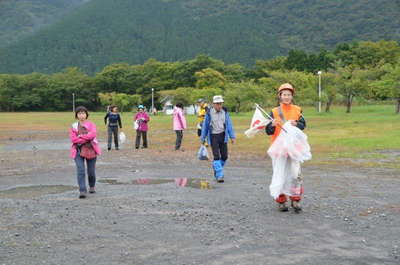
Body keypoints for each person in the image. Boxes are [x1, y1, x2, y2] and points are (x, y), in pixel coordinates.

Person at [265, 83, 307, 212]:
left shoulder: (297, 110)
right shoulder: (274, 112)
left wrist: (296, 124)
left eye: (289, 94)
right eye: (284, 95)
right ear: (280, 96)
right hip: (279, 148)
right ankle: (281, 201)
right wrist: (272, 125)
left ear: (292, 96)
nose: (287, 97)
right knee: (280, 174)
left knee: (295, 174)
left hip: (294, 147)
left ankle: (296, 200)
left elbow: (303, 125)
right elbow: (268, 131)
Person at [201, 95, 236, 183]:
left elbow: (229, 124)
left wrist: (232, 136)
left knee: (224, 156)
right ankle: (220, 175)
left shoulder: (225, 112)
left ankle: (216, 167)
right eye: (217, 104)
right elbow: (205, 126)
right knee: (216, 156)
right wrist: (203, 138)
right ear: (213, 104)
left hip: (223, 136)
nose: (219, 105)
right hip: (213, 137)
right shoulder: (209, 113)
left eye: (220, 104)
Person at [69, 106, 101, 199]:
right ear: (76, 115)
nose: (81, 115)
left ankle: (92, 186)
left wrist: (80, 137)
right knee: (81, 170)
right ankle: (82, 190)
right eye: (79, 113)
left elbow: (92, 135)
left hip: (91, 149)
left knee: (91, 171)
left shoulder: (92, 125)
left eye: (83, 113)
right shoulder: (73, 126)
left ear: (86, 115)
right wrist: (84, 137)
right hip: (77, 150)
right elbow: (73, 139)